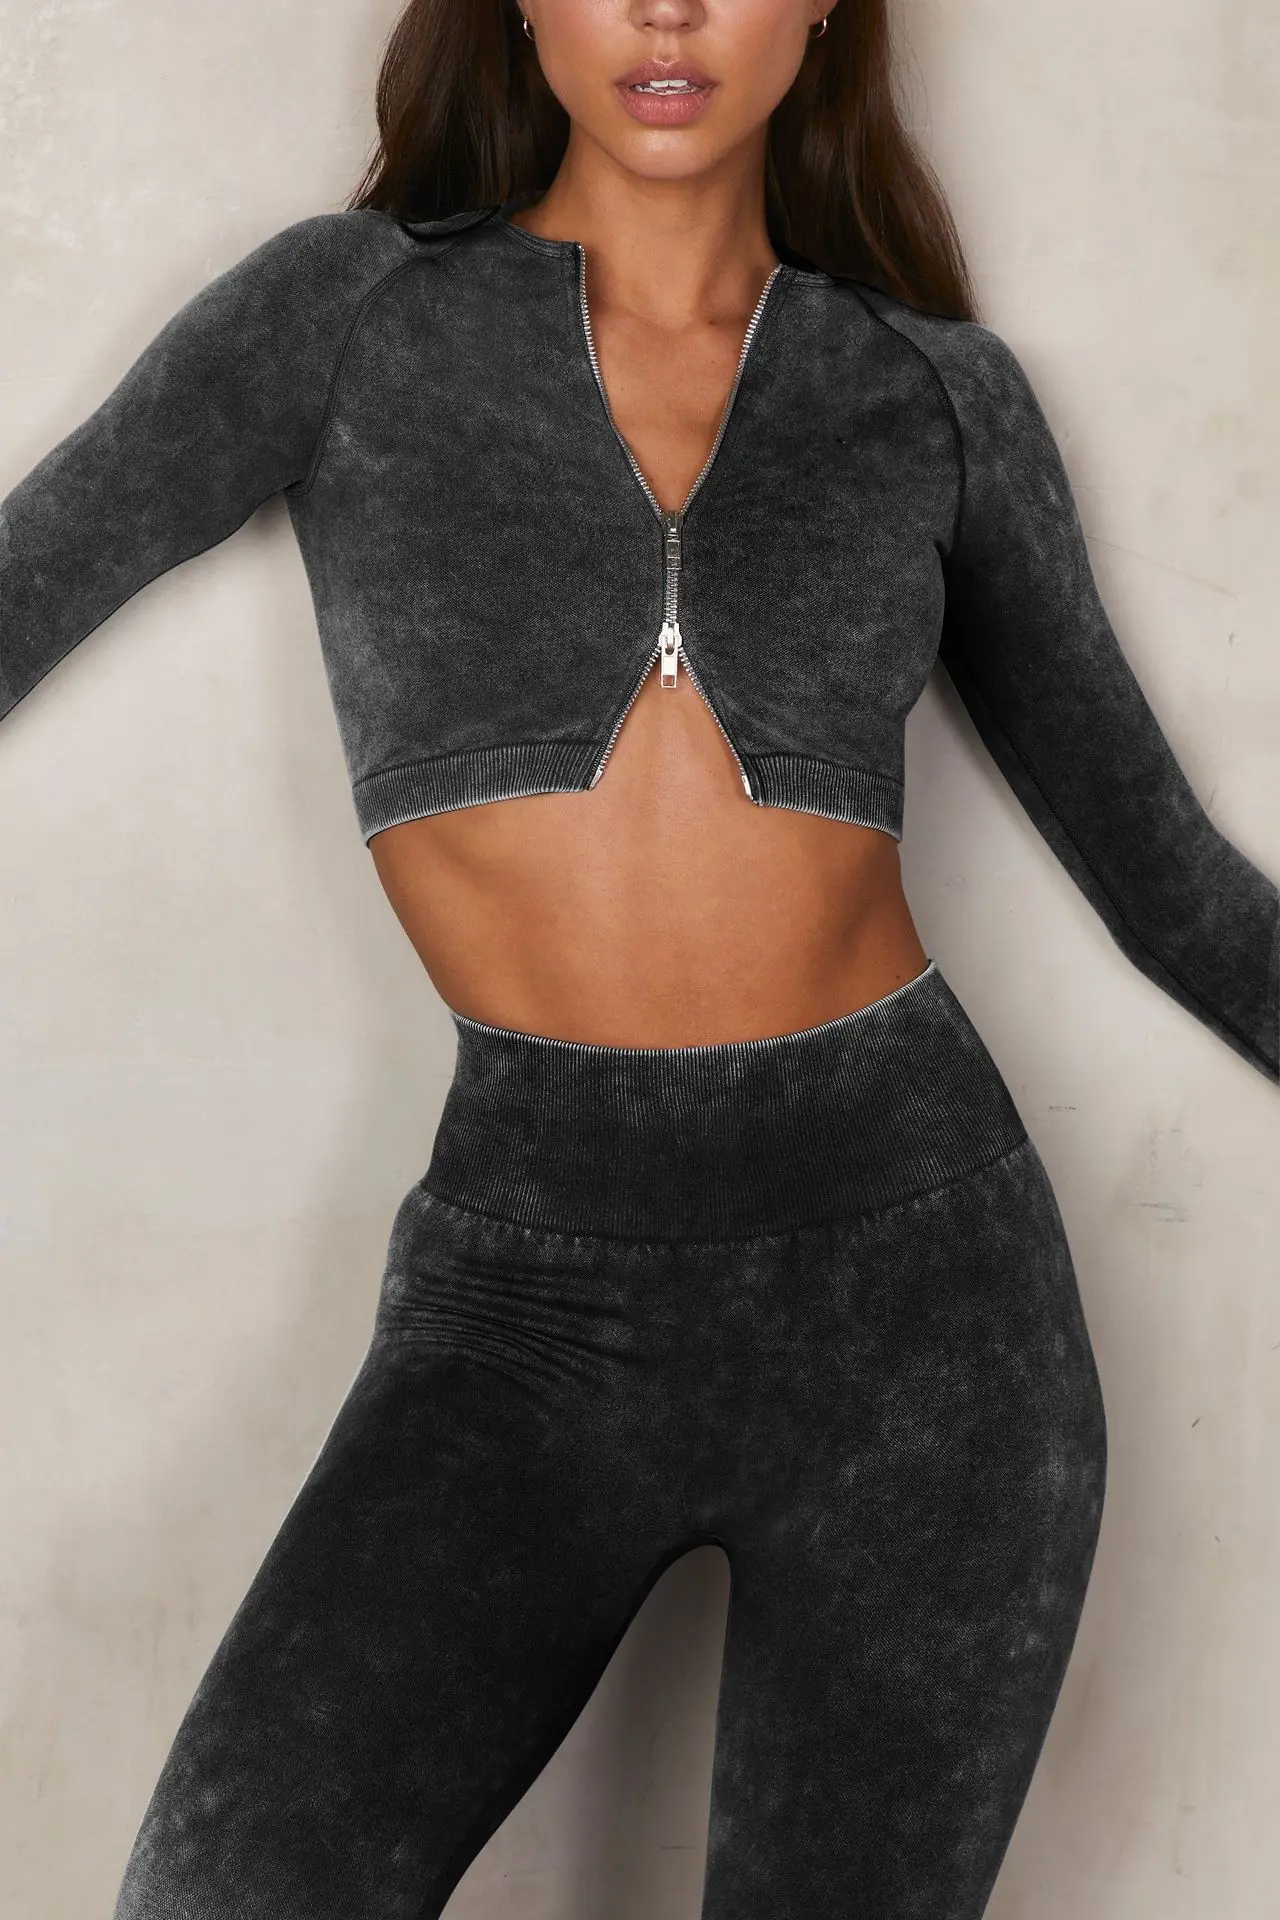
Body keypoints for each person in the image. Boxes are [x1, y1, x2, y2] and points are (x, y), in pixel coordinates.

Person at [2, 0, 1276, 1914]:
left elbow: (1170, 880)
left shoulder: (930, 396)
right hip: (522, 1307)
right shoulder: (343, 318)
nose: (666, 10)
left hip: (924, 1314)